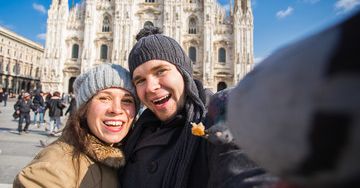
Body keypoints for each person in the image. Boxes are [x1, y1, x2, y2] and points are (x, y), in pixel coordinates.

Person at [120, 26, 274, 188]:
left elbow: (243, 167)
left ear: (184, 72)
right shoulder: (134, 131)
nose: (151, 87)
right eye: (140, 80)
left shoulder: (217, 119)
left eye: (160, 71)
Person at [13, 63, 141, 187]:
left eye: (127, 100)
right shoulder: (53, 169)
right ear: (84, 109)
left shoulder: (128, 154)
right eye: (104, 98)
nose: (116, 109)